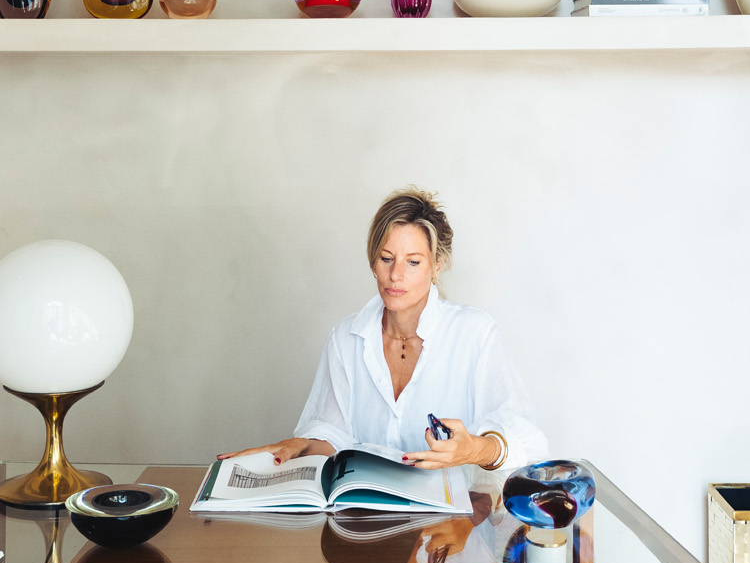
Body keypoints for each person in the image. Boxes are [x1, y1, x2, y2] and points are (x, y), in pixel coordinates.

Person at [222, 188, 548, 472]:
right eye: (386, 258)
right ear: (372, 261)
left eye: (413, 262)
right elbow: (333, 435)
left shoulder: (475, 334)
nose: (395, 275)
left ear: (436, 266)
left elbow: (529, 443)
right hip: (364, 516)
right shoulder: (345, 338)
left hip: (452, 519)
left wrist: (474, 449)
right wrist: (302, 445)